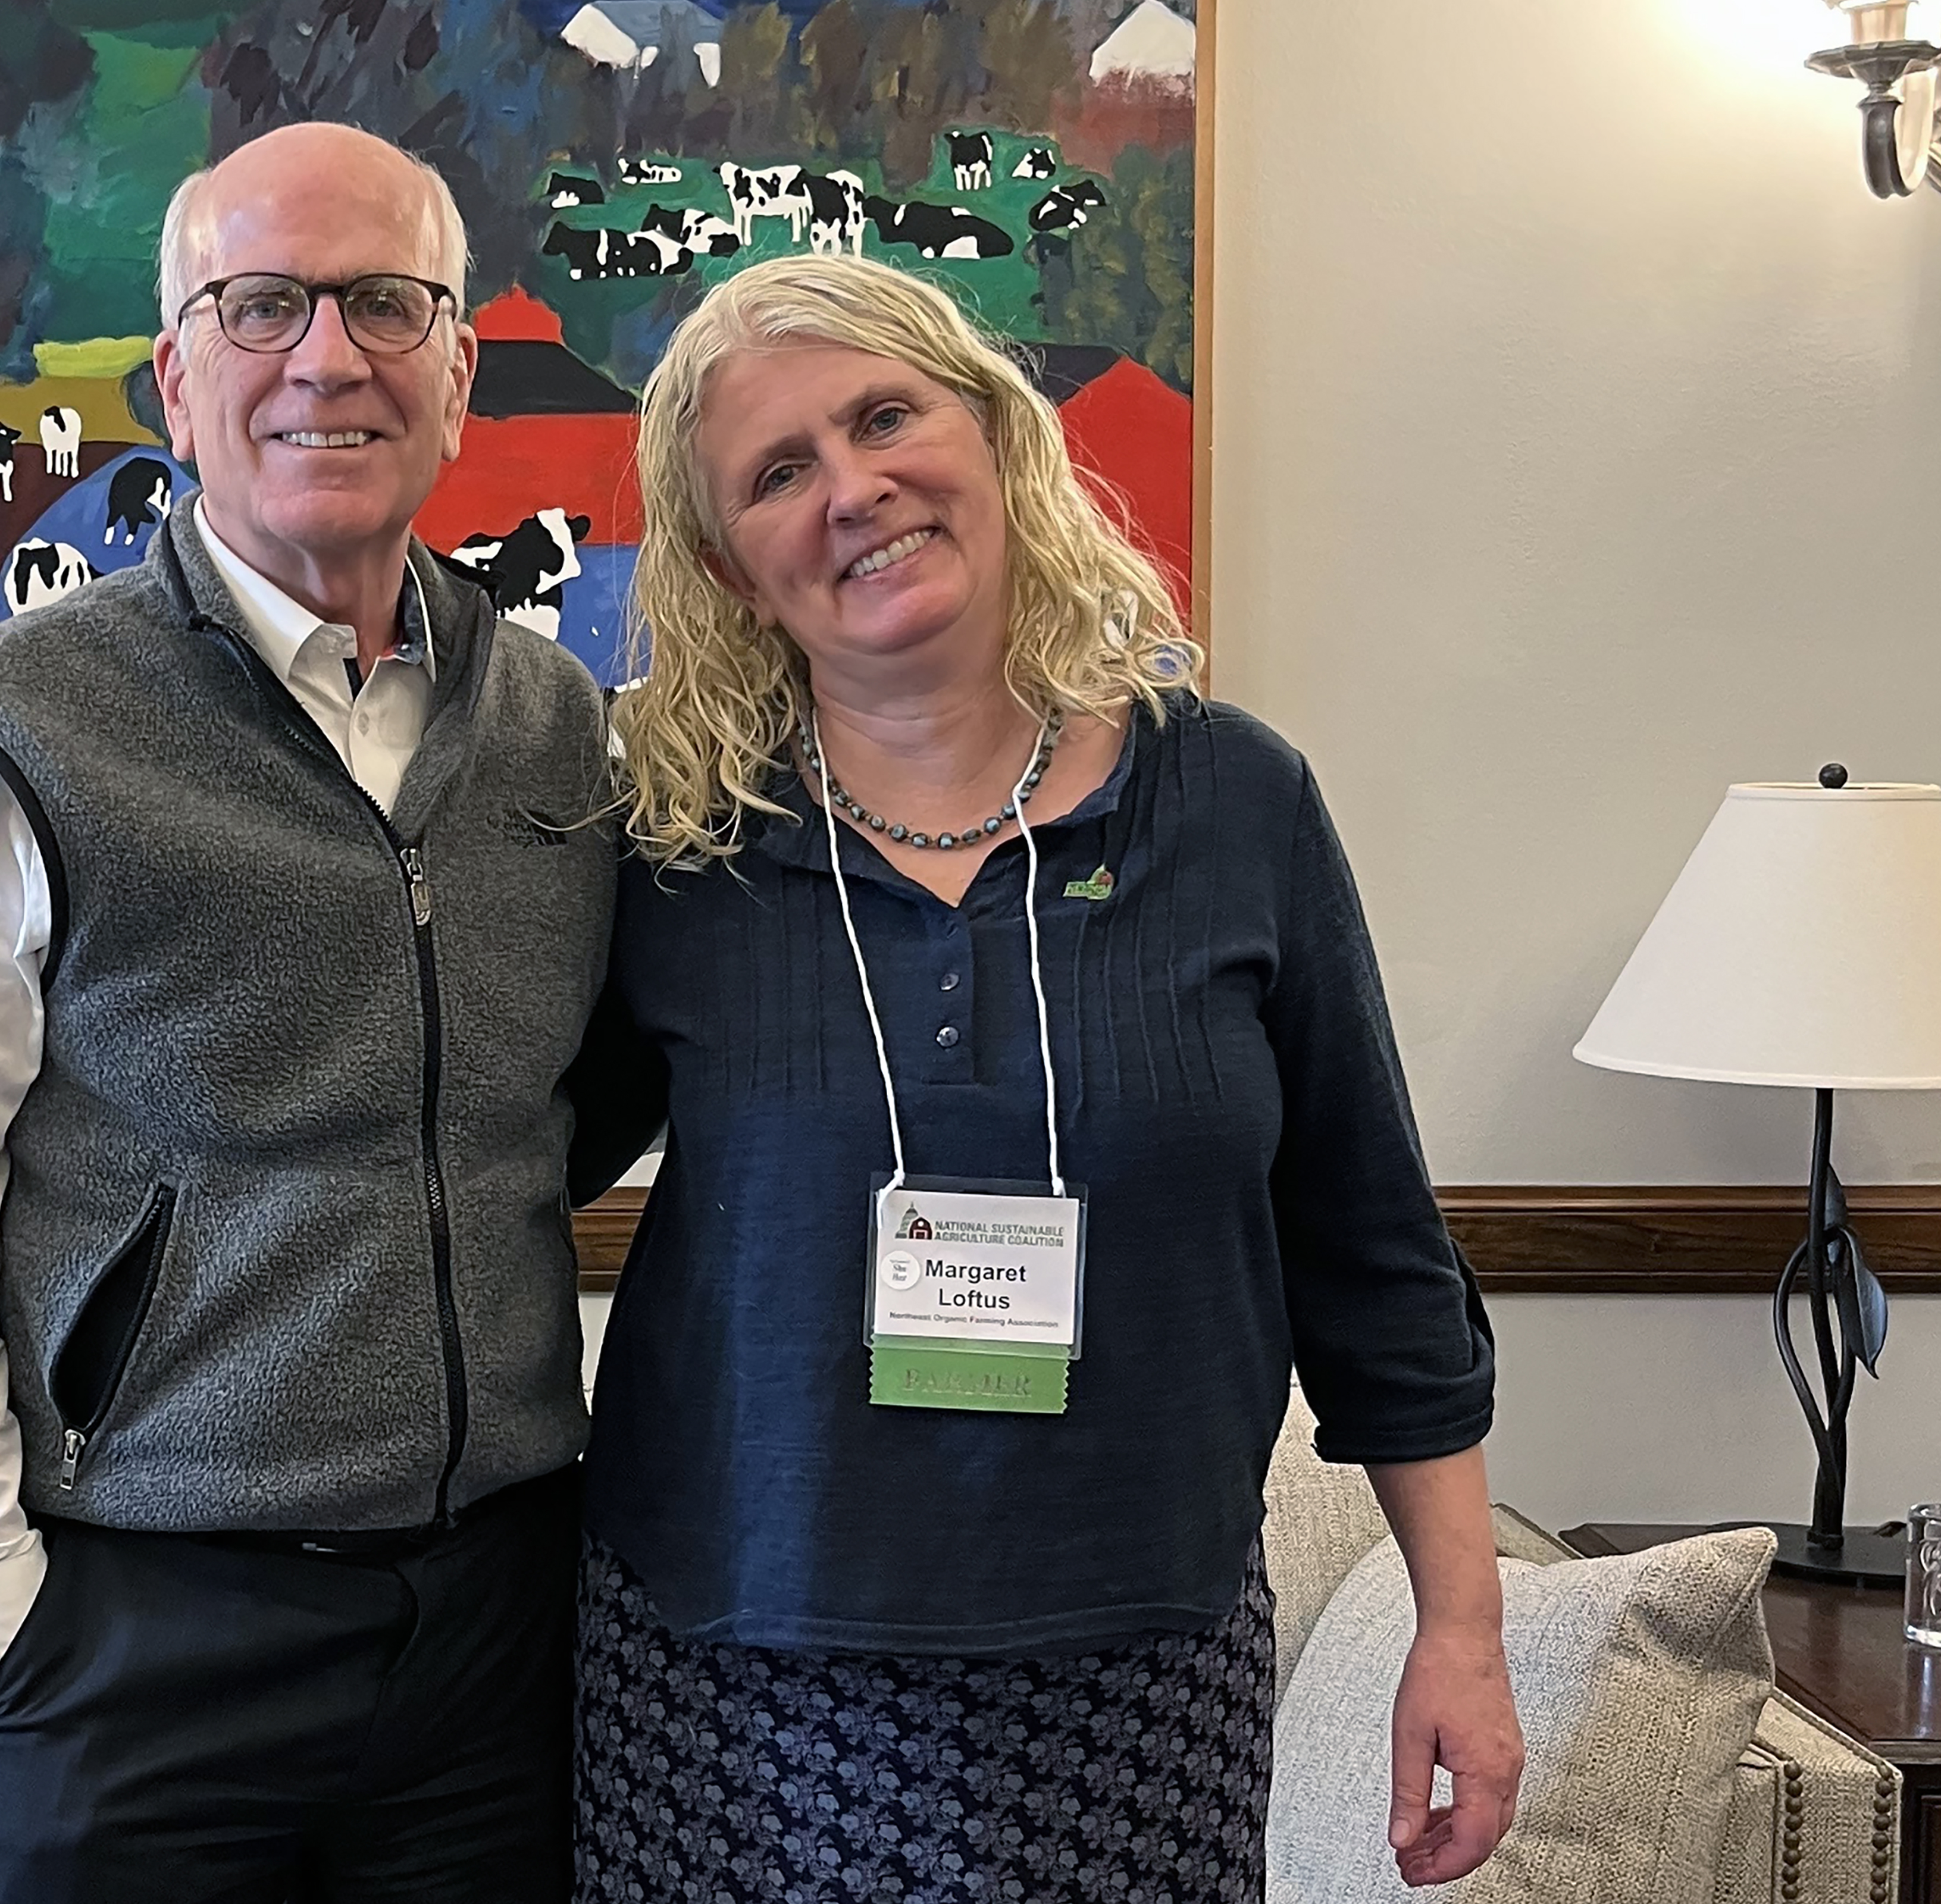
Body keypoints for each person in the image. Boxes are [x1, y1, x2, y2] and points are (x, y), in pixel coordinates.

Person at [565, 252, 1525, 1901]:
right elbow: (489, 1164)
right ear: (729, 567)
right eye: (780, 473)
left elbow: (1375, 1255)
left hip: (1137, 1672)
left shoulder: (1233, 803)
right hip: (728, 1667)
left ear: (997, 435)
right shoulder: (671, 844)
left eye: (886, 418)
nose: (853, 490)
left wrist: (1466, 1630)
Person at [0, 122, 618, 1901]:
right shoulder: (10, 727)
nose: (327, 357)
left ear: (460, 372)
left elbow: (576, 1099)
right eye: (261, 307)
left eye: (388, 307)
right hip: (143, 1642)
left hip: (499, 1636)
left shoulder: (562, 725)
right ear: (177, 378)